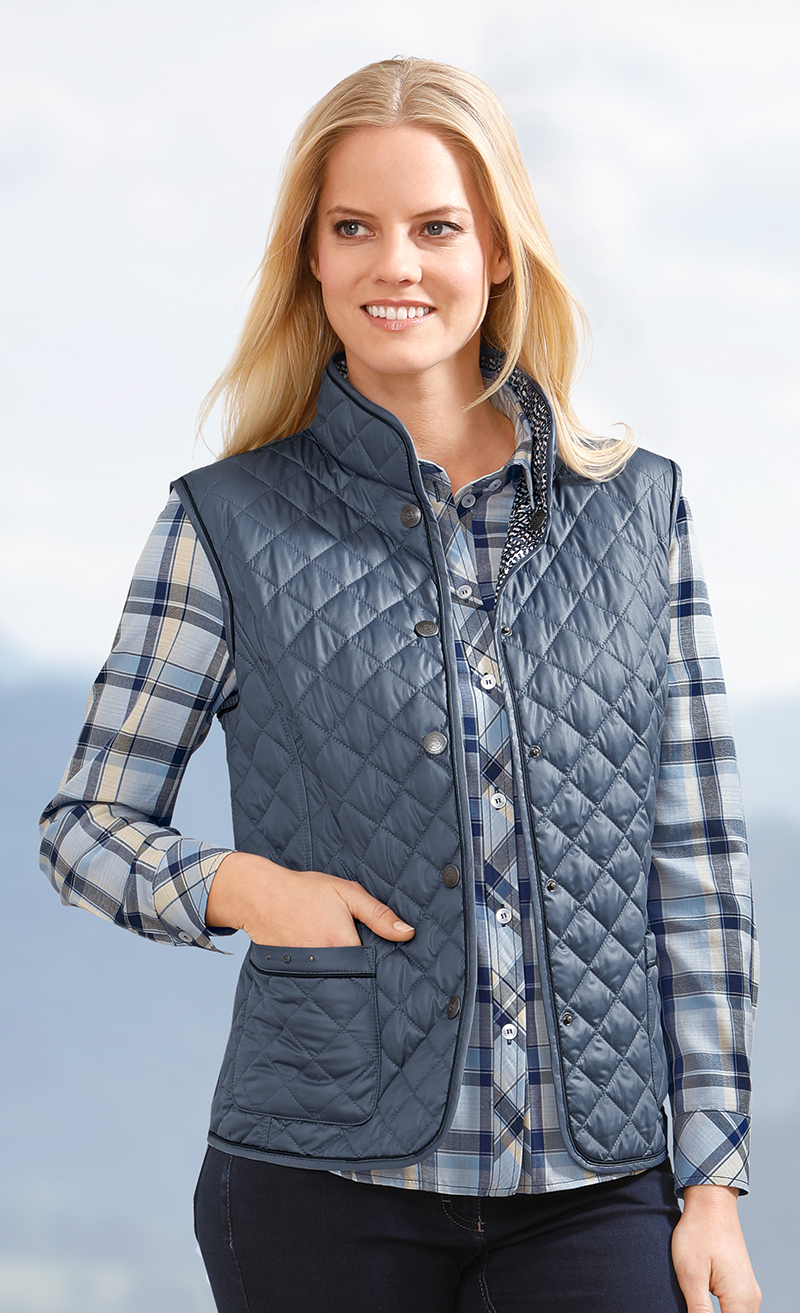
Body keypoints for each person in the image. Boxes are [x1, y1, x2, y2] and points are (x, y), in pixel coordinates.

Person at [39, 57, 760, 1313]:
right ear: (310, 258)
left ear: (498, 250)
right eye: (352, 228)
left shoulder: (638, 511)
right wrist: (243, 887)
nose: (395, 265)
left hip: (596, 1182)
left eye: (435, 227)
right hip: (317, 1181)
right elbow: (83, 827)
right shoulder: (226, 522)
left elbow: (692, 864)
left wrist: (710, 1184)